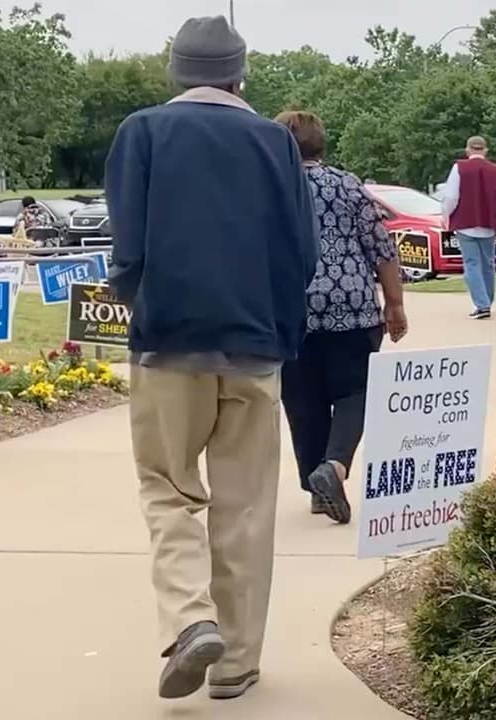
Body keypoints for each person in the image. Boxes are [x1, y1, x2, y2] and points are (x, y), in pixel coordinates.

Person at [104, 16, 317, 703]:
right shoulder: (275, 142)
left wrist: (141, 307)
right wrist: (283, 334)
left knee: (167, 486)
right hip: (255, 345)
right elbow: (300, 254)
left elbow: (128, 249)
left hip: (168, 342)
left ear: (175, 73)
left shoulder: (142, 133)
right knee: (246, 504)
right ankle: (236, 663)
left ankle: (191, 617)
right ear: (239, 73)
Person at [274, 110, 408, 522]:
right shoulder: (348, 185)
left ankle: (315, 487)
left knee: (302, 400)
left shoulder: (270, 189)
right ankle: (333, 466)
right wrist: (395, 304)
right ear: (321, 143)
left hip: (290, 310)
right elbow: (382, 248)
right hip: (352, 306)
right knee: (356, 392)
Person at [441, 136, 496, 319]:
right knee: (488, 264)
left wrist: (445, 216)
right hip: (489, 224)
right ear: (485, 150)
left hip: (465, 224)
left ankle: (482, 305)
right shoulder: (495, 171)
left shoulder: (459, 168)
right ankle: (487, 301)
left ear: (467, 150)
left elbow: (451, 197)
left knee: (472, 264)